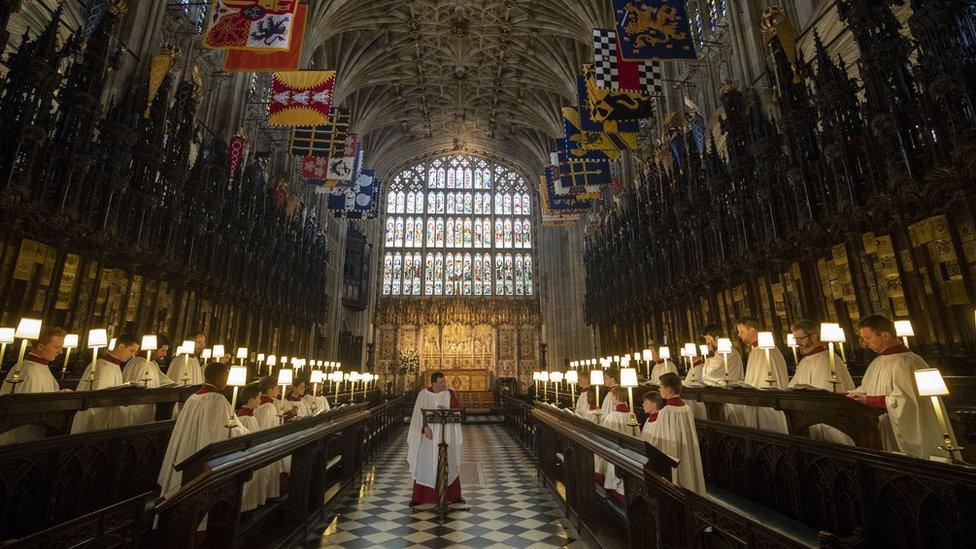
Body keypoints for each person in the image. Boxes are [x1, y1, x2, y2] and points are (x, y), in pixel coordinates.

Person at [846, 315, 956, 459]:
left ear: (885, 335)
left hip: (909, 431)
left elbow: (909, 403)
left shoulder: (908, 362)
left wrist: (870, 400)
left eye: (868, 338)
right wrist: (849, 395)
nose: (864, 343)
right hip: (885, 426)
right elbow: (867, 388)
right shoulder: (877, 362)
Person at [157, 361, 249, 530]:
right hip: (201, 455)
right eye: (226, 376)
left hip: (186, 451)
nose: (227, 381)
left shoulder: (193, 397)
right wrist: (246, 434)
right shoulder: (217, 399)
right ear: (218, 377)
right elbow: (221, 431)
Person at [788, 320, 856, 445]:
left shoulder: (828, 359)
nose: (797, 343)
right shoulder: (804, 362)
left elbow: (827, 392)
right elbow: (792, 386)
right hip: (810, 418)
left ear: (813, 337)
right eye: (795, 339)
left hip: (832, 421)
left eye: (800, 339)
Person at [0, 326, 67, 443]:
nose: (61, 352)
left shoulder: (42, 366)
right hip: (20, 435)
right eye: (57, 347)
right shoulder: (28, 369)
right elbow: (23, 406)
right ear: (41, 346)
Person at [642, 373, 706, 495]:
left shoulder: (666, 412)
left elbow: (658, 440)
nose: (659, 389)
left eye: (661, 386)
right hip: (686, 450)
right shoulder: (686, 408)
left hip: (672, 455)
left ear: (669, 390)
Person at [407, 371, 462, 506]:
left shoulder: (449, 394)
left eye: (444, 382)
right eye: (441, 382)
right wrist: (424, 428)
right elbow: (417, 416)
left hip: (446, 433)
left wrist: (446, 410)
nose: (444, 384)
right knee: (424, 463)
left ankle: (454, 495)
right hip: (428, 436)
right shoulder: (423, 394)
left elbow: (456, 410)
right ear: (433, 383)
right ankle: (418, 497)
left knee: (450, 462)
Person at [71, 334, 140, 433]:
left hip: (107, 415)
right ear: (121, 346)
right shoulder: (101, 365)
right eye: (132, 350)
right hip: (92, 417)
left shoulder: (116, 366)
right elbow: (96, 396)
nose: (133, 355)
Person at [734, 316, 789, 432]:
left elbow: (764, 381)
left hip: (768, 405)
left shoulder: (765, 350)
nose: (739, 335)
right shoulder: (757, 350)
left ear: (752, 330)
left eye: (741, 331)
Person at [121, 334, 175, 425]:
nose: (165, 354)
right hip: (135, 409)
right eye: (163, 350)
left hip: (147, 407)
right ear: (154, 349)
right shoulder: (139, 363)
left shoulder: (152, 364)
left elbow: (165, 381)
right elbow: (135, 387)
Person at [236, 382, 270, 511]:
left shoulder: (251, 416)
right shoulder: (245, 418)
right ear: (251, 399)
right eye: (258, 398)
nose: (260, 400)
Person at [599, 387, 636, 504]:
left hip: (616, 452)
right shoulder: (632, 414)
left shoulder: (613, 416)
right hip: (630, 452)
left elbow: (606, 436)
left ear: (615, 397)